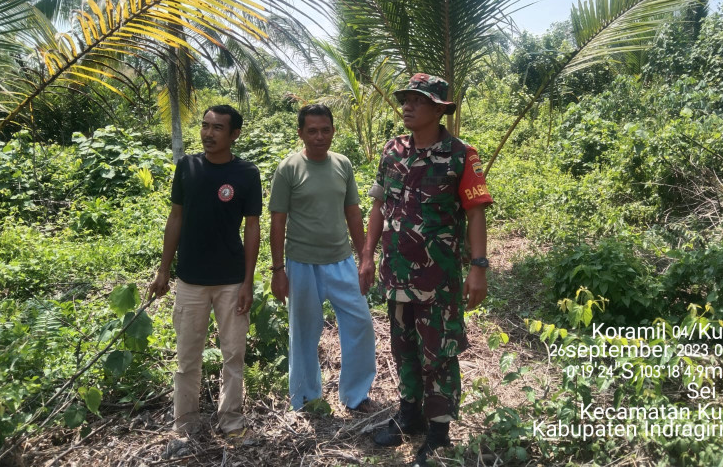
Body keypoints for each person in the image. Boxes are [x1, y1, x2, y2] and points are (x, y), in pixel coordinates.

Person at [361, 74, 493, 467]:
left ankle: (438, 433)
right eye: (405, 99)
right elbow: (379, 206)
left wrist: (479, 267)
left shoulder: (460, 154)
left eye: (417, 100)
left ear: (438, 110)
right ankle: (409, 416)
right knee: (402, 348)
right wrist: (367, 256)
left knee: (439, 352)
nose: (407, 106)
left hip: (438, 278)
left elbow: (476, 212)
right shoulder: (393, 150)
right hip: (396, 273)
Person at [147, 105, 261, 436]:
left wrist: (248, 282)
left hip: (231, 281)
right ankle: (184, 426)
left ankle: (231, 421)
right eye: (205, 126)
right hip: (190, 280)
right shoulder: (188, 166)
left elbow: (252, 227)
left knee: (233, 356)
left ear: (234, 134)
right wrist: (164, 270)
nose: (208, 134)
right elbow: (176, 217)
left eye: (217, 128)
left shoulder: (247, 173)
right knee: (187, 359)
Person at [269, 104, 376, 412]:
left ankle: (356, 395)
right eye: (312, 131)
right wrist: (278, 270)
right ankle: (306, 397)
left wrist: (364, 257)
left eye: (325, 130)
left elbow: (352, 212)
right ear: (301, 133)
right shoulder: (288, 168)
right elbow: (278, 221)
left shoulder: (342, 164)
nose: (319, 137)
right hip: (301, 263)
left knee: (360, 324)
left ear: (333, 131)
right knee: (304, 331)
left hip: (341, 261)